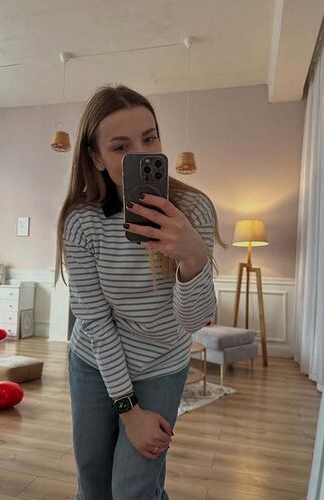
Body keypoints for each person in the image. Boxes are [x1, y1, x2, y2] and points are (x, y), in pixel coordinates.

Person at [55, 84, 228, 500]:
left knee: (133, 489)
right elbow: (96, 322)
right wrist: (128, 411)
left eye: (149, 139)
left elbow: (193, 322)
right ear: (96, 157)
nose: (140, 153)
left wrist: (192, 257)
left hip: (161, 365)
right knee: (93, 483)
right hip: (94, 362)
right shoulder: (81, 222)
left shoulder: (194, 210)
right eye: (120, 146)